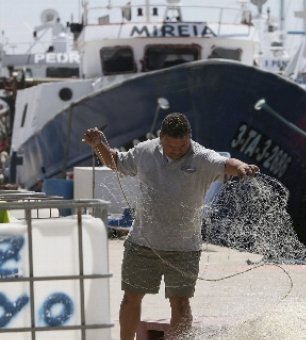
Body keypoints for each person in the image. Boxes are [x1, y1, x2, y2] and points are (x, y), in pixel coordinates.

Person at [82, 112, 259, 340]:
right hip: (142, 243)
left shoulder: (202, 157)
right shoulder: (146, 151)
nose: (176, 151)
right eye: (170, 146)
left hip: (184, 248)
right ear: (161, 138)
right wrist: (100, 145)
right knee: (132, 297)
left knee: (180, 302)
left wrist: (243, 167)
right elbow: (114, 161)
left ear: (190, 138)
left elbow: (226, 163)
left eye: (182, 146)